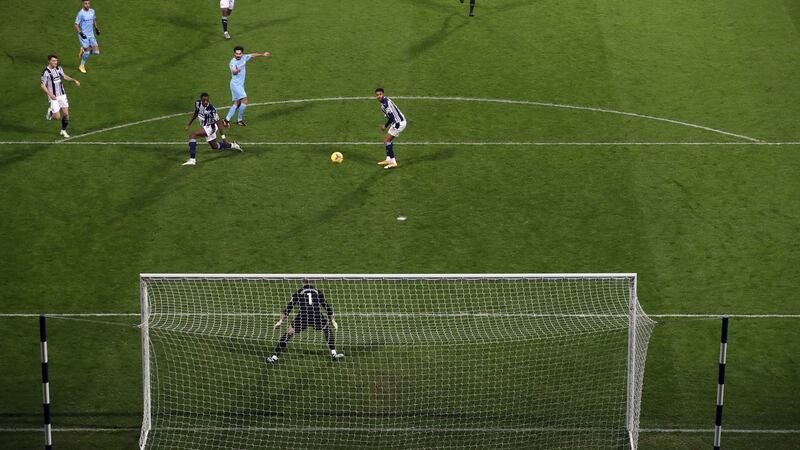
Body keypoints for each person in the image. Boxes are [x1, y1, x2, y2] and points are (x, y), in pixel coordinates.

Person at [268, 280, 344, 364]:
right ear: (313, 282)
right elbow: (327, 307)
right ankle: (333, 353)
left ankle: (274, 358)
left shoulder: (299, 292)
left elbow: (289, 307)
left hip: (303, 315)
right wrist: (333, 321)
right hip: (316, 314)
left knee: (289, 333)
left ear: (303, 283)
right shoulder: (318, 292)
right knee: (327, 329)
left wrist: (280, 321)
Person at [182, 93, 242, 166]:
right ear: (201, 100)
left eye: (207, 100)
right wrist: (189, 124)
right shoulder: (197, 104)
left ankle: (192, 159)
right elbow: (196, 113)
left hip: (211, 127)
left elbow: (219, 124)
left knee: (192, 135)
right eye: (204, 100)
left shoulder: (211, 109)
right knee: (215, 146)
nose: (206, 102)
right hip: (206, 126)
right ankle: (233, 145)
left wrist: (224, 138)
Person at [224, 46, 271, 127]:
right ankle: (239, 120)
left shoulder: (244, 57)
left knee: (237, 103)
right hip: (236, 85)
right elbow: (233, 71)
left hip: (239, 85)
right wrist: (236, 71)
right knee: (245, 101)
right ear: (234, 53)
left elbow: (253, 55)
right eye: (236, 53)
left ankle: (226, 120)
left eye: (240, 54)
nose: (238, 55)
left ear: (242, 53)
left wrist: (263, 54)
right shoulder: (232, 62)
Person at [41, 55, 81, 138]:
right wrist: (50, 94)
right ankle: (51, 112)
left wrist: (74, 80)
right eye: (53, 61)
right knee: (57, 117)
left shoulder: (59, 68)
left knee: (66, 114)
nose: (55, 62)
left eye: (56, 61)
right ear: (49, 61)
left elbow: (64, 76)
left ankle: (63, 131)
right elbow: (43, 85)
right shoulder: (45, 72)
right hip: (53, 97)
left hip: (62, 94)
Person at [375, 88, 406, 169]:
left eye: (380, 94)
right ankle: (388, 159)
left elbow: (391, 117)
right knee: (387, 140)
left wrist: (385, 126)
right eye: (377, 95)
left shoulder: (385, 104)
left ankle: (393, 162)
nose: (379, 96)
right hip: (396, 122)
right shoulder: (383, 103)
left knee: (387, 140)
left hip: (398, 123)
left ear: (383, 94)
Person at [74, 0, 101, 73]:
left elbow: (93, 20)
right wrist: (80, 33)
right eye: (86, 3)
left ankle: (83, 49)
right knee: (87, 52)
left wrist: (96, 28)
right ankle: (81, 66)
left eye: (88, 3)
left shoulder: (92, 11)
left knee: (96, 52)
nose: (87, 5)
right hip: (84, 36)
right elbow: (76, 25)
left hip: (91, 35)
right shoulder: (80, 13)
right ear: (83, 4)